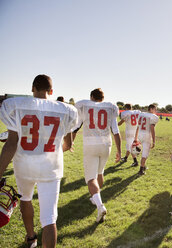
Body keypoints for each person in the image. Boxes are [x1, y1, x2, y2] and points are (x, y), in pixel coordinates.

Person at [0, 74, 78, 248]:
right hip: (50, 167)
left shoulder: (16, 106)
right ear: (51, 91)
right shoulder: (66, 110)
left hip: (24, 165)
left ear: (32, 89)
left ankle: (31, 237)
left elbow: (11, 143)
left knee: (25, 199)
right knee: (49, 218)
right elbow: (68, 144)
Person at [73, 88, 121, 223]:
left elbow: (75, 127)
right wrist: (120, 151)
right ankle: (96, 198)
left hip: (90, 145)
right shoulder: (110, 108)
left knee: (90, 178)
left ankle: (100, 206)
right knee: (100, 172)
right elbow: (116, 131)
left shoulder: (85, 106)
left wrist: (70, 142)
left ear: (92, 97)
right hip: (107, 145)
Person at [133, 104, 159, 176]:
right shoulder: (153, 117)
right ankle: (141, 169)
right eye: (155, 109)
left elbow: (138, 127)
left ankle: (143, 166)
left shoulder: (141, 114)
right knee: (145, 154)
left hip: (140, 134)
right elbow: (152, 128)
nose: (156, 111)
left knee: (143, 152)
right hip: (146, 135)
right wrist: (154, 140)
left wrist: (135, 137)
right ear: (151, 109)